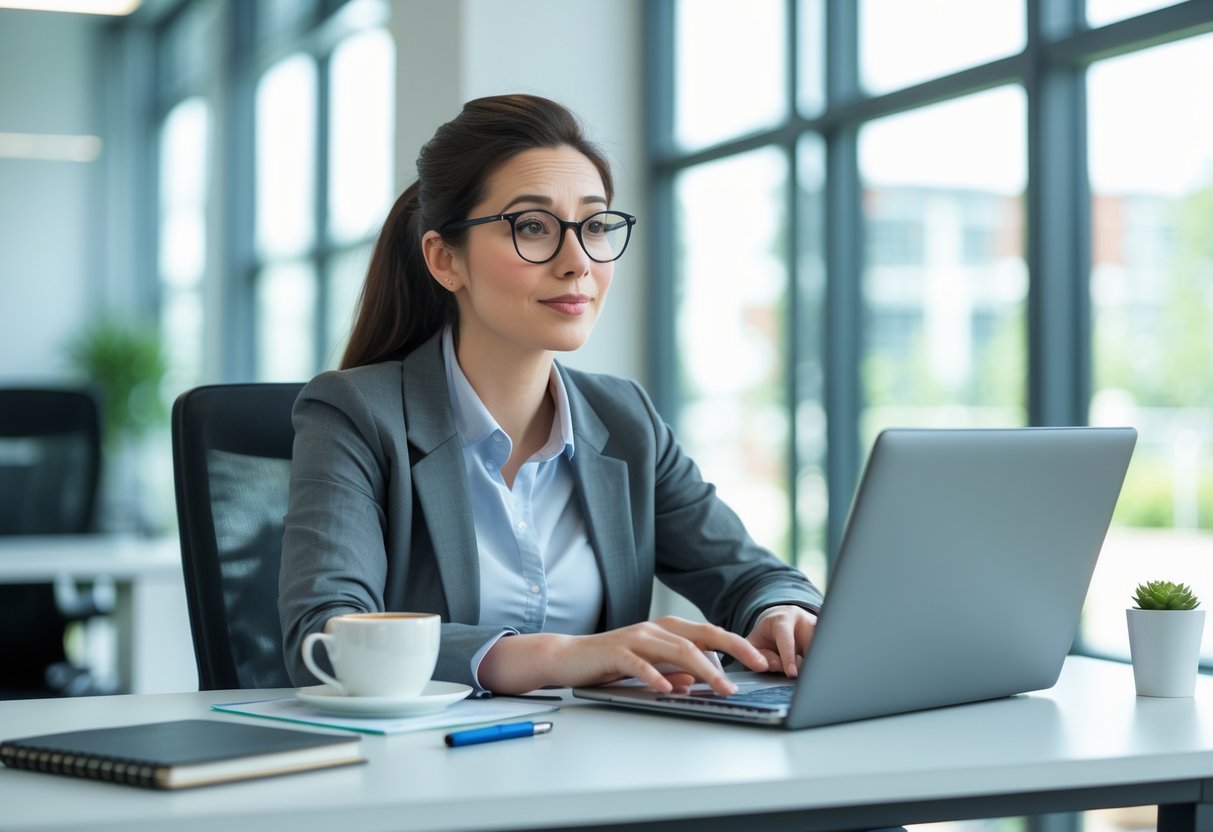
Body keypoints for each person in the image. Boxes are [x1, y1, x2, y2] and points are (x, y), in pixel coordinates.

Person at [278, 93, 823, 697]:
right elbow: (324, 634)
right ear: (445, 259)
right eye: (532, 226)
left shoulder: (625, 419)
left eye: (594, 225)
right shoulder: (356, 413)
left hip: (593, 770)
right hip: (417, 771)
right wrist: (564, 657)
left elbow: (749, 573)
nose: (577, 262)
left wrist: (781, 611)